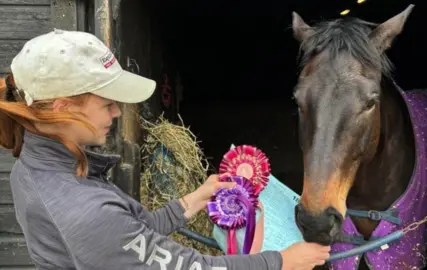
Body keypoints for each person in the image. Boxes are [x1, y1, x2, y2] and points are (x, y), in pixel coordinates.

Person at [0, 29, 330, 270]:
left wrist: (194, 200)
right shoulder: (82, 209)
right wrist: (281, 261)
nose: (116, 112)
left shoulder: (45, 167)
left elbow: (128, 237)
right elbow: (195, 267)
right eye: (107, 103)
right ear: (62, 108)